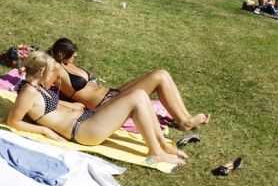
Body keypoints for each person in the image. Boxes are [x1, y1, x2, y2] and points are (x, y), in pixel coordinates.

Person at [8, 51, 185, 166]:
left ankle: (161, 144)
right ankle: (155, 152)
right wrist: (45, 130)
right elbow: (13, 121)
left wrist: (70, 105)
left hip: (86, 119)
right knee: (137, 97)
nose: (53, 76)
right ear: (41, 72)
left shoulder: (36, 88)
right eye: (51, 72)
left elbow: (46, 107)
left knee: (141, 94)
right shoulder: (27, 93)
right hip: (84, 132)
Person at [48, 38, 209, 131]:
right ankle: (185, 122)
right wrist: (69, 105)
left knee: (162, 73)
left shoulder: (68, 64)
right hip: (105, 104)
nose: (75, 55)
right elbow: (42, 91)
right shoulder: (55, 69)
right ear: (62, 54)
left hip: (112, 94)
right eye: (72, 54)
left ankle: (185, 117)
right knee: (159, 77)